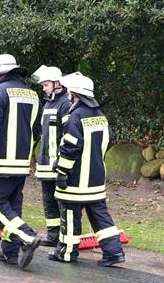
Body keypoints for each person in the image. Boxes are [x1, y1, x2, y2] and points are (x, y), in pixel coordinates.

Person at [0, 54, 42, 270]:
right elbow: (37, 130)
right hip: (21, 163)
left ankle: (27, 237)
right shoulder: (32, 95)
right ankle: (10, 252)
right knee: (12, 205)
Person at [49, 72, 125, 267]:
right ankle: (114, 252)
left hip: (75, 180)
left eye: (69, 92)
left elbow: (70, 148)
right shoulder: (100, 116)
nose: (67, 95)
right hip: (96, 179)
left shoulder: (74, 117)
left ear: (75, 94)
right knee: (100, 216)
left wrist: (62, 172)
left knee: (70, 215)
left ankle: (67, 253)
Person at [31, 65, 70, 247]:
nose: (44, 89)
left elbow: (69, 134)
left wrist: (62, 162)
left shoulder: (65, 104)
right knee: (48, 200)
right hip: (45, 163)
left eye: (46, 85)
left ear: (57, 83)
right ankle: (53, 234)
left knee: (61, 201)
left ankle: (64, 236)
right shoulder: (48, 103)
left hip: (58, 164)